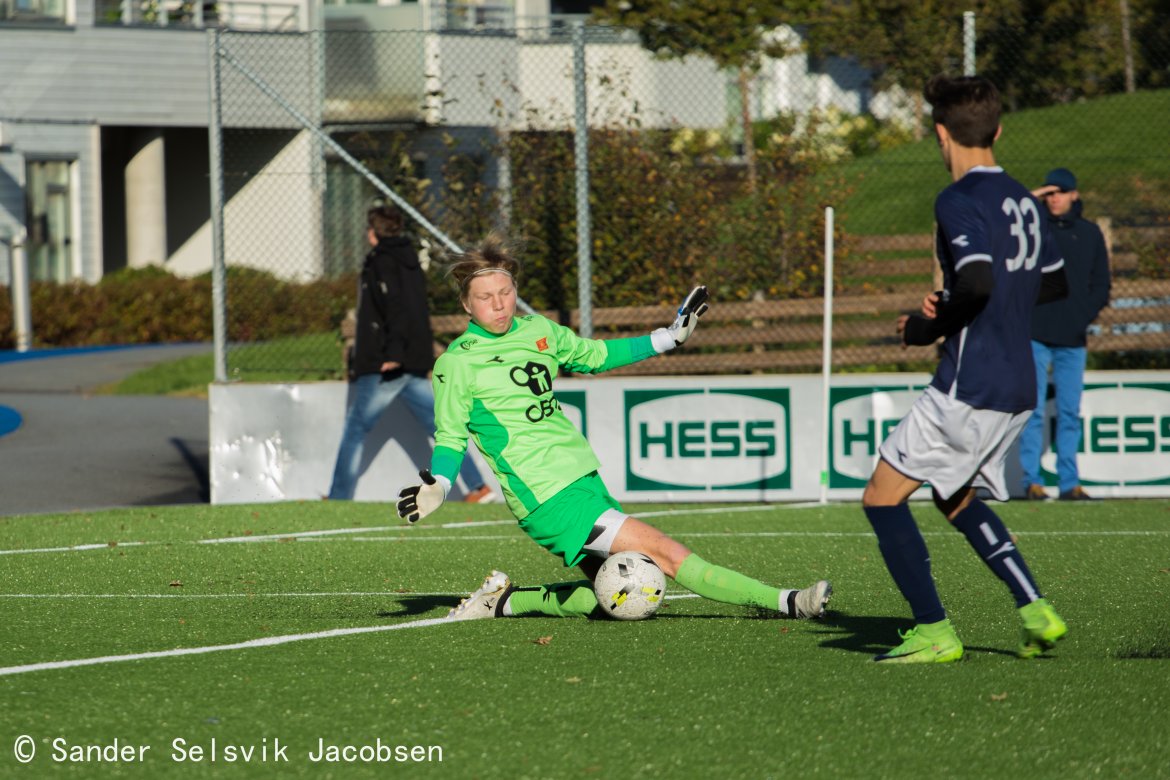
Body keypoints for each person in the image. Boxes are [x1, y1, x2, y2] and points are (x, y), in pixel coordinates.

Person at [396, 234, 831, 622]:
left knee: (613, 594)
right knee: (664, 554)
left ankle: (504, 602)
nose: (498, 304)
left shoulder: (537, 330)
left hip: (583, 477)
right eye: (486, 297)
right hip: (547, 496)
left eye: (506, 292)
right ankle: (789, 602)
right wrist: (439, 484)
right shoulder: (457, 361)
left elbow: (595, 355)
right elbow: (451, 434)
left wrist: (668, 338)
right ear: (466, 305)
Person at [860, 74, 1071, 663]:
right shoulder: (1027, 201)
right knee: (953, 495)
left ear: (939, 135)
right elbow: (1053, 284)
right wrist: (981, 299)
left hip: (968, 382)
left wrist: (928, 325)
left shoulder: (956, 199)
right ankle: (1035, 610)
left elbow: (976, 282)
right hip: (1018, 384)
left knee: (881, 498)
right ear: (998, 131)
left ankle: (933, 629)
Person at [328, 204, 495, 503]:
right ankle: (478, 488)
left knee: (355, 429)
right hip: (410, 361)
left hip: (387, 364)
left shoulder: (382, 262)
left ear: (372, 233)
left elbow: (396, 310)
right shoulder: (409, 259)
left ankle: (338, 496)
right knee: (441, 428)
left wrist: (392, 353)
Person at [1019, 167, 1111, 502]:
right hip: (1035, 333)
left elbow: (1101, 284)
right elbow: (1006, 221)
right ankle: (1031, 480)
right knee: (1032, 409)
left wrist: (1080, 317)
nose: (1055, 198)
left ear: (1075, 194)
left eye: (1061, 192)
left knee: (1070, 411)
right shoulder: (1033, 228)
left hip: (1072, 338)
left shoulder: (1089, 233)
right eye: (1050, 192)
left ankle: (1069, 482)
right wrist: (1032, 198)